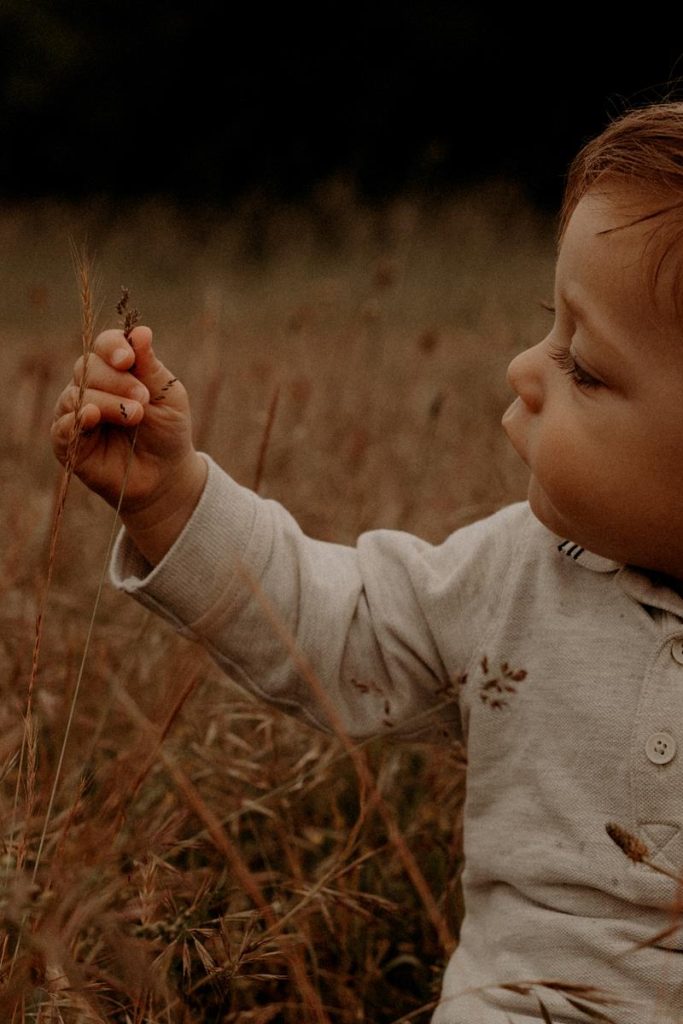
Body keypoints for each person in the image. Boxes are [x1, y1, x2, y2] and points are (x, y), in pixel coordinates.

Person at [51, 102, 683, 1023]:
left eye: (583, 365)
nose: (523, 369)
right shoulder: (512, 574)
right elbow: (330, 621)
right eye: (552, 327)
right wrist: (171, 497)